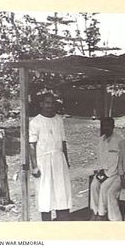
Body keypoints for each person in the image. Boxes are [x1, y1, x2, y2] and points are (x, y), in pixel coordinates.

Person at [29, 92, 72, 221]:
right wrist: (34, 166)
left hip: (59, 160)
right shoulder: (35, 122)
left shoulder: (58, 119)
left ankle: (63, 223)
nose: (50, 105)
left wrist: (66, 160)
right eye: (47, 103)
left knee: (61, 192)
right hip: (43, 161)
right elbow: (32, 145)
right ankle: (46, 224)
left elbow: (63, 141)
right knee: (45, 194)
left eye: (52, 103)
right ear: (41, 104)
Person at [90, 117, 122, 220]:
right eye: (104, 126)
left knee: (104, 187)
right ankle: (94, 211)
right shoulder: (101, 140)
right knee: (94, 185)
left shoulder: (119, 140)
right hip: (103, 171)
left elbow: (118, 160)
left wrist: (107, 174)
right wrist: (99, 171)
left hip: (114, 173)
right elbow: (99, 158)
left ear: (113, 126)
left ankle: (101, 213)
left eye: (109, 126)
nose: (106, 128)